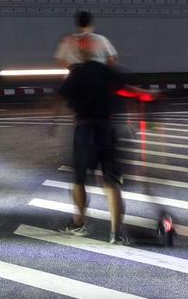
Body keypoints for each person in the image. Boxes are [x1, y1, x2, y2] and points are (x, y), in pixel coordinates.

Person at [56, 34, 149, 244]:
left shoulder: (76, 74)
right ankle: (117, 232)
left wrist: (53, 122)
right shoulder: (109, 72)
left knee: (79, 180)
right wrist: (147, 96)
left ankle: (79, 223)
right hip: (107, 129)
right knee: (111, 182)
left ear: (82, 53)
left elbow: (61, 98)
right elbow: (128, 91)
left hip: (84, 129)